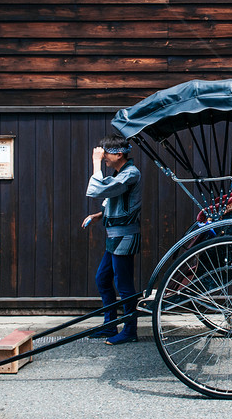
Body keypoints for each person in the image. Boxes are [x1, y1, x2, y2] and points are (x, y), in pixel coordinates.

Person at [82, 133, 142, 345]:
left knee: (124, 285)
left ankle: (130, 330)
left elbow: (102, 190)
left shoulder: (131, 173)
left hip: (125, 236)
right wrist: (99, 215)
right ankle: (110, 325)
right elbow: (113, 199)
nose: (103, 157)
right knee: (102, 278)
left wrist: (95, 163)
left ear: (118, 154)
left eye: (106, 153)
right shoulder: (121, 173)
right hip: (114, 237)